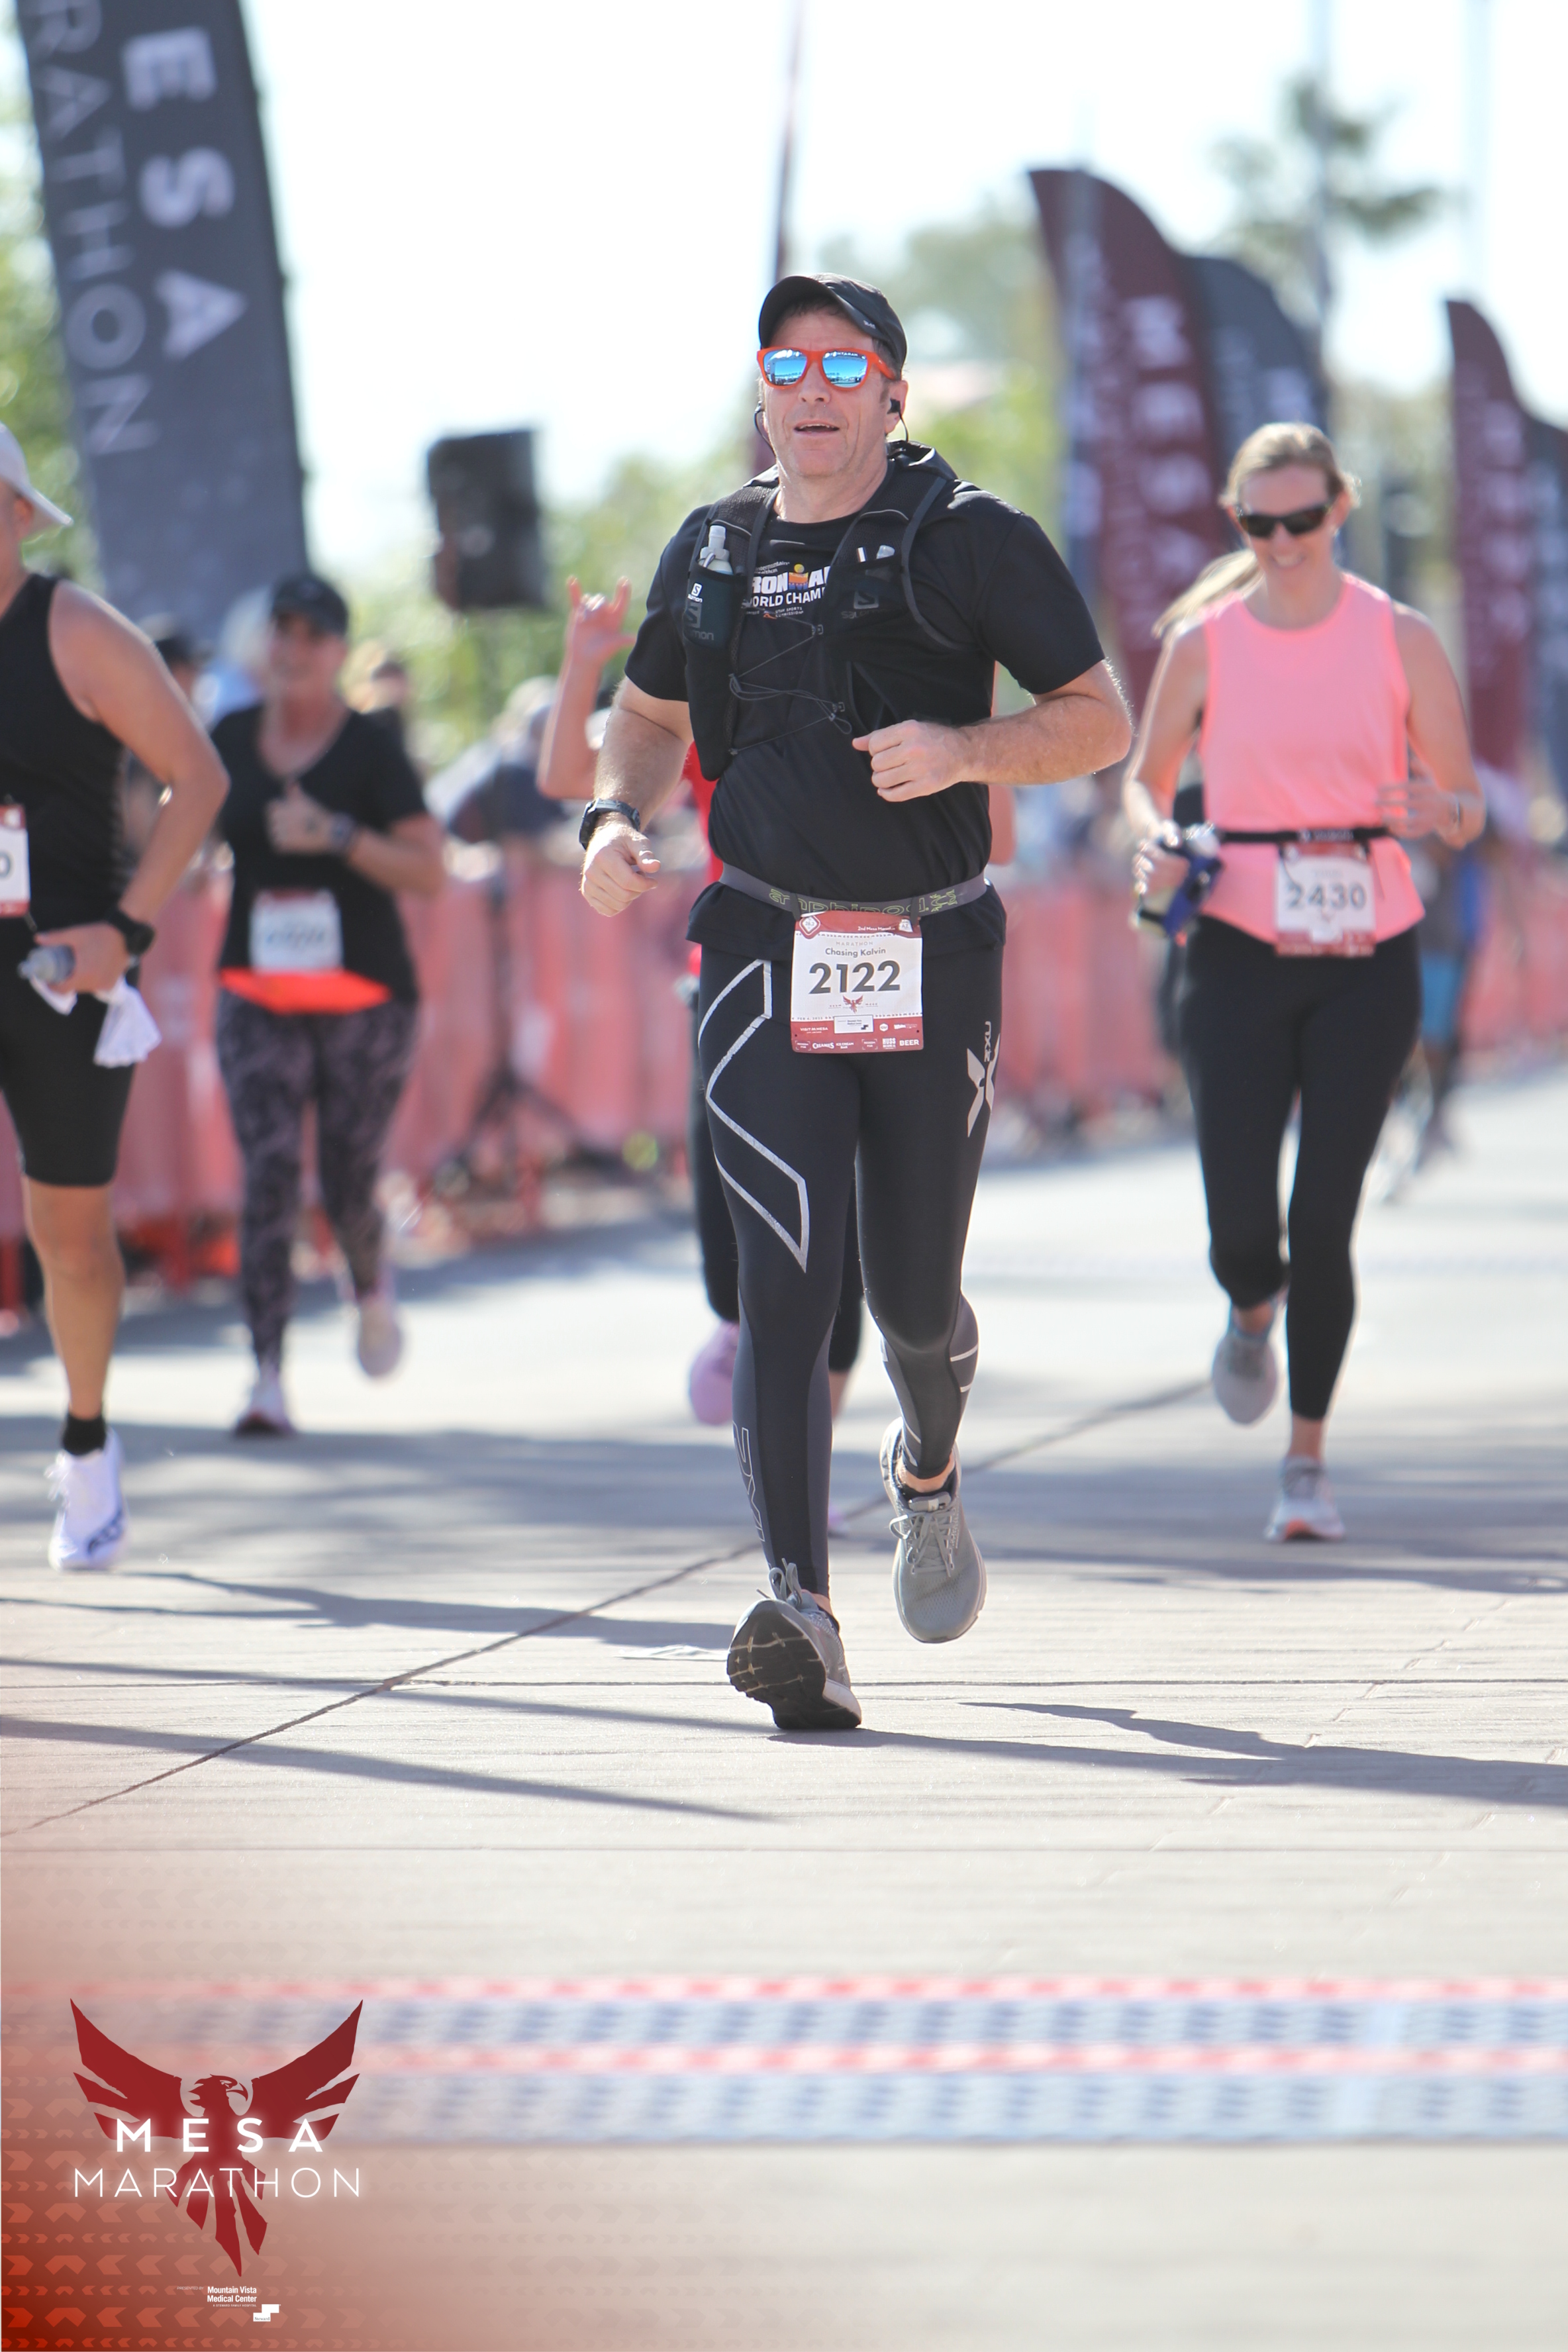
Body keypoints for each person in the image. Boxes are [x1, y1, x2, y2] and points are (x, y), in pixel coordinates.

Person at [579, 274, 1129, 1730]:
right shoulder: (712, 546)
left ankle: (926, 1469)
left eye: (843, 365)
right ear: (760, 393)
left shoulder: (972, 538)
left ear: (890, 392)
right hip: (764, 945)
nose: (812, 389)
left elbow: (1098, 720)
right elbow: (644, 716)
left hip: (931, 949)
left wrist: (964, 750)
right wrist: (610, 818)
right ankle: (798, 1609)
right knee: (786, 1279)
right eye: (788, 364)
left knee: (910, 1298)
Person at [1124, 421, 1484, 1542]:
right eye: (1258, 524)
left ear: (1341, 510)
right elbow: (1144, 780)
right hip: (1236, 941)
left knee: (1323, 1217)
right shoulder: (1205, 643)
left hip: (1367, 947)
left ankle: (1307, 1464)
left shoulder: (1400, 635)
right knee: (1243, 1231)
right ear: (1238, 523)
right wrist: (1158, 838)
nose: (1281, 543)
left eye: (1302, 520)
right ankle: (1250, 1308)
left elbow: (1467, 805)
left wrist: (1437, 809)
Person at [539, 575, 870, 1479]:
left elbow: (995, 835)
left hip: (861, 978)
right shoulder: (721, 696)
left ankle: (807, 1471)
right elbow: (569, 778)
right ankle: (744, 1337)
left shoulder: (878, 683)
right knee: (733, 1244)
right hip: (736, 978)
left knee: (838, 1240)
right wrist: (582, 662)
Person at [0, 425, 228, 1567]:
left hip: (65, 967)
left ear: (16, 512)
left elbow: (200, 779)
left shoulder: (75, 630)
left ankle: (86, 1444)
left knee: (69, 1231)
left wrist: (125, 930)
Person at [211, 573, 444, 1434]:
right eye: (282, 630)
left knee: (348, 1178)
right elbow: (175, 821)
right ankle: (266, 1375)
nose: (294, 647)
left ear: (340, 651)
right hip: (257, 991)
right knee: (269, 1173)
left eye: (312, 634)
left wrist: (336, 835)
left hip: (364, 996)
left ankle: (369, 1282)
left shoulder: (371, 748)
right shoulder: (229, 737)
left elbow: (429, 870)